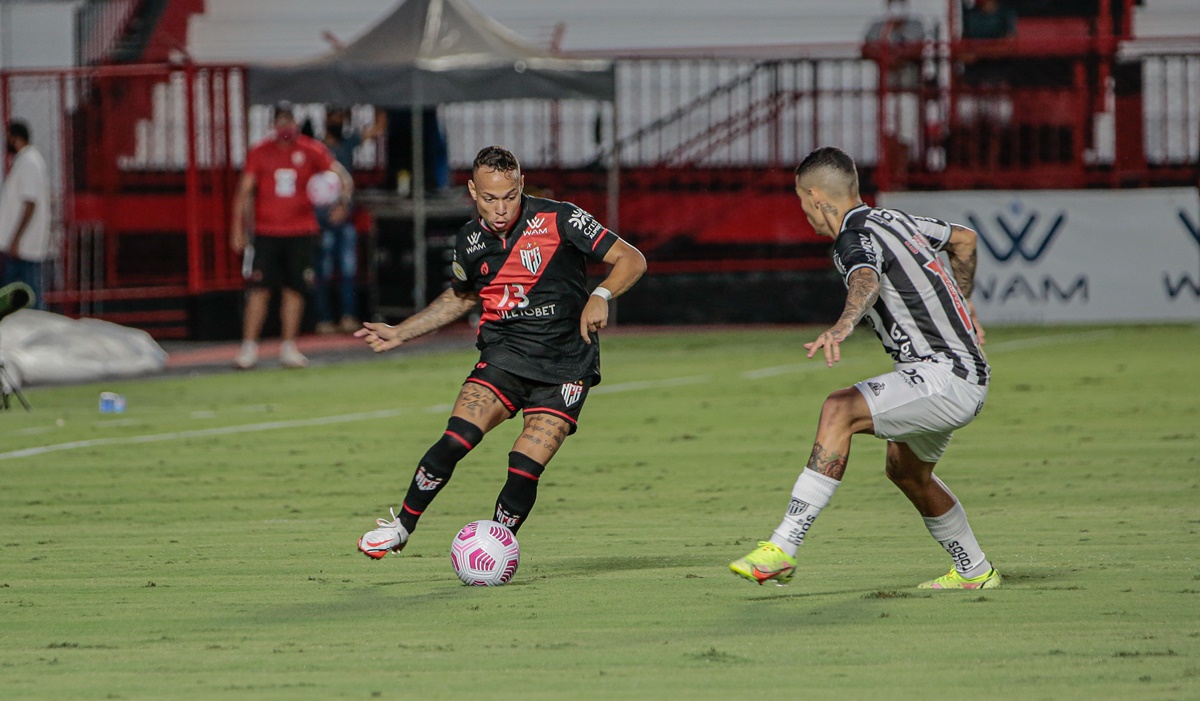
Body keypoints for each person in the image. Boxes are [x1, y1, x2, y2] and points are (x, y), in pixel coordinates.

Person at [355, 145, 646, 560]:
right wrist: (404, 332)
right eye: (490, 198)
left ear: (522, 185)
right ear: (473, 191)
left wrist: (601, 294)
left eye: (510, 196)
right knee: (457, 437)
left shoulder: (560, 218)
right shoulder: (469, 241)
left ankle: (492, 547)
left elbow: (631, 259)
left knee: (525, 464)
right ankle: (401, 526)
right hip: (505, 354)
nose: (501, 208)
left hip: (566, 364)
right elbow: (462, 296)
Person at [730, 146, 998, 590]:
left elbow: (865, 279)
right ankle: (975, 571)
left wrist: (842, 326)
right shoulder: (898, 220)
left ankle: (783, 546)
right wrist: (963, 303)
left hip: (943, 377)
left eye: (801, 201)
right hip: (958, 375)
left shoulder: (852, 238)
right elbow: (964, 239)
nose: (805, 213)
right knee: (906, 471)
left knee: (839, 409)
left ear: (817, 197)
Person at [230, 101, 352, 369]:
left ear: (296, 123)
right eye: (280, 121)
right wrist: (238, 228)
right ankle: (248, 348)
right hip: (266, 232)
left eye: (289, 121)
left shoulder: (311, 150)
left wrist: (342, 201)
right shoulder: (260, 152)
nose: (285, 127)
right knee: (259, 290)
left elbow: (341, 176)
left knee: (294, 289)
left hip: (301, 232)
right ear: (273, 125)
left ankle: (288, 347)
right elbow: (245, 191)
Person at [313, 107, 385, 335]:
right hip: (320, 219)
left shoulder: (347, 143)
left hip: (344, 218)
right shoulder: (315, 147)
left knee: (348, 268)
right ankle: (324, 319)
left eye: (340, 117)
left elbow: (377, 129)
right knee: (322, 270)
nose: (336, 121)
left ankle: (348, 316)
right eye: (333, 116)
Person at [0, 121, 51, 309]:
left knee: (27, 297)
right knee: (17, 296)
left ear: (16, 138)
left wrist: (15, 239)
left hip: (23, 247)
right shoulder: (27, 160)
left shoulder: (28, 162)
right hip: (20, 246)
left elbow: (30, 203)